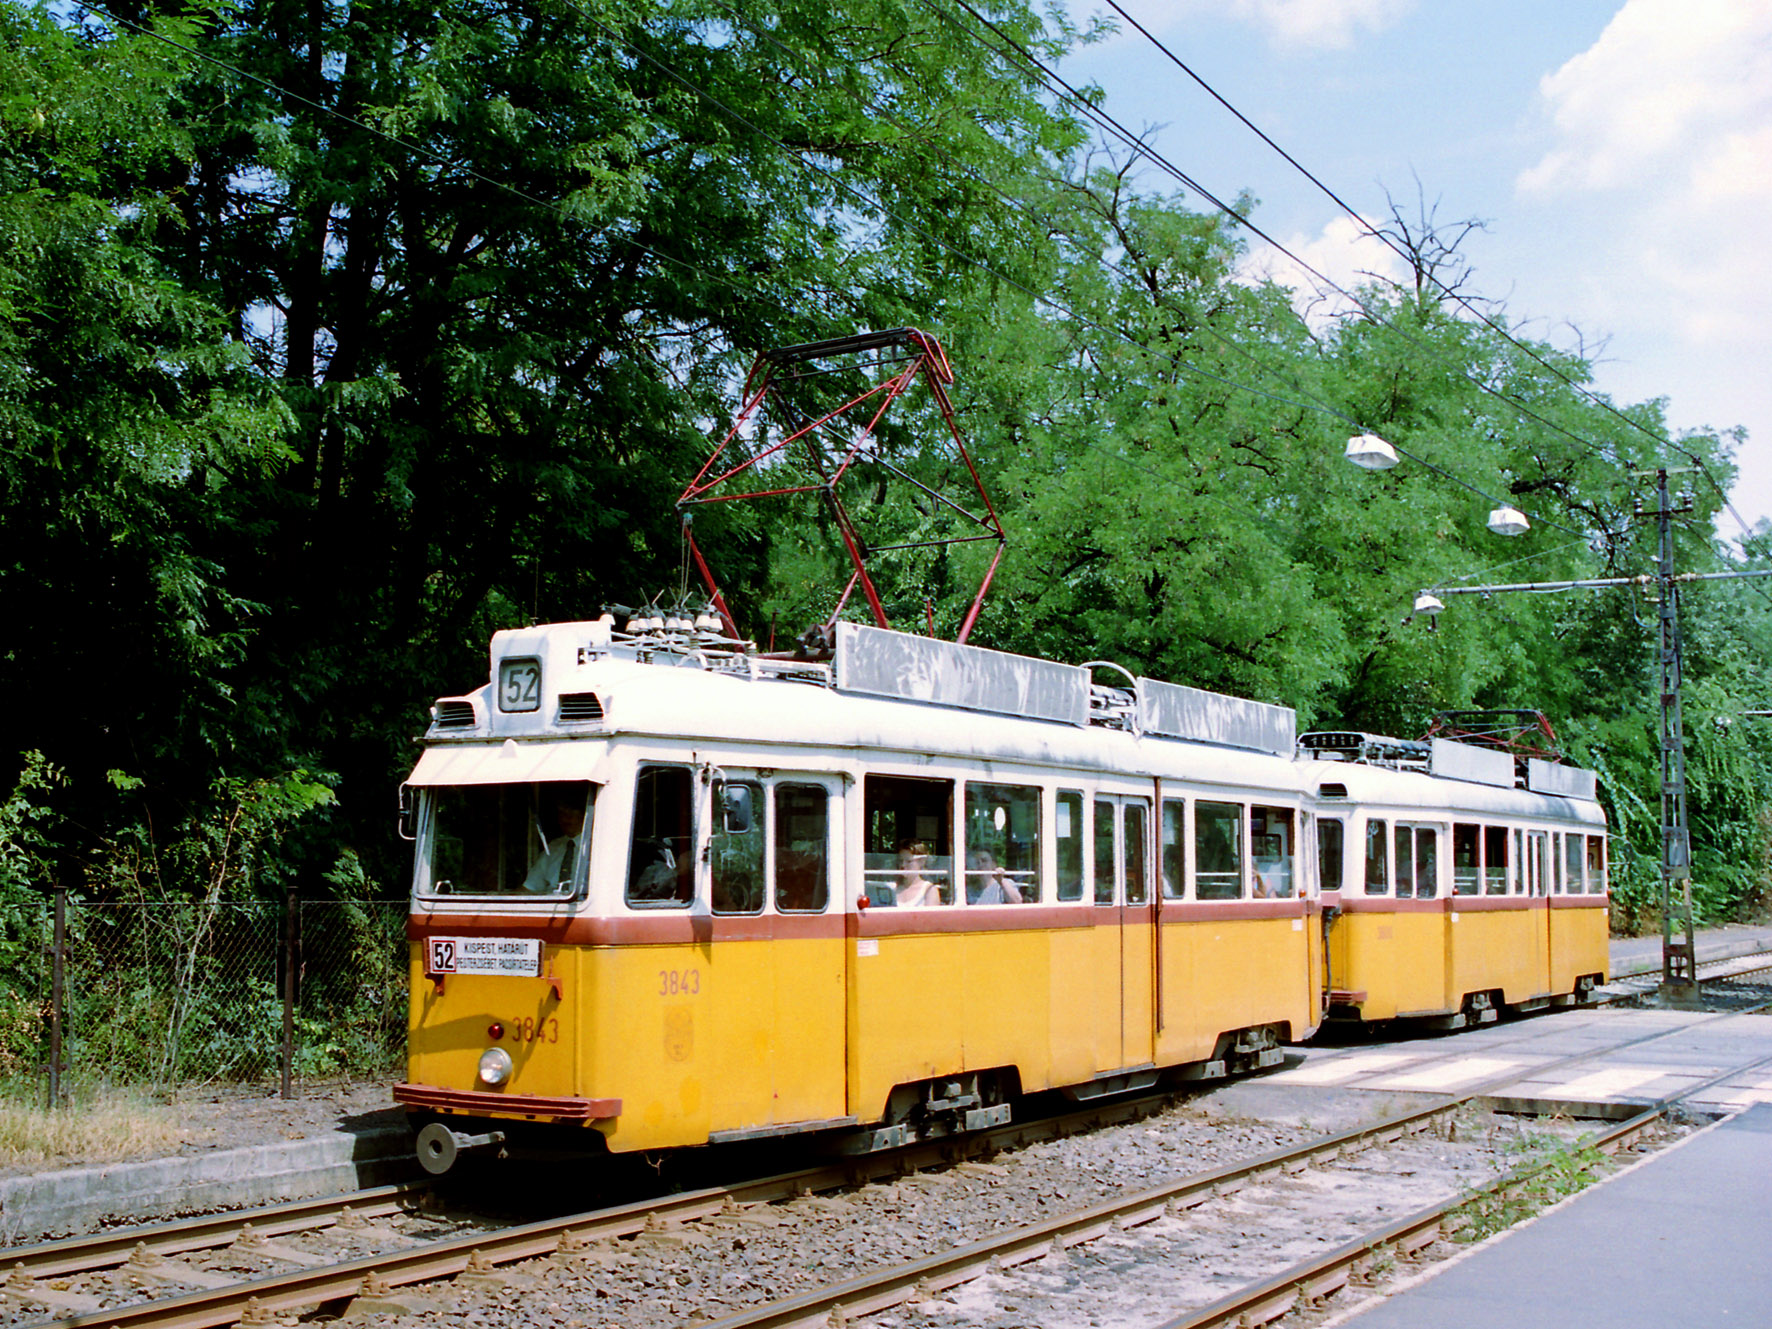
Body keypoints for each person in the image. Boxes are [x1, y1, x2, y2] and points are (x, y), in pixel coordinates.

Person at [523, 787, 585, 894]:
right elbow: (530, 887)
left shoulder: (595, 847)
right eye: (562, 813)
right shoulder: (554, 847)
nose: (565, 819)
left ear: (584, 815)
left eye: (571, 814)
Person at [895, 841, 945, 907]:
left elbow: (931, 916)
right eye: (900, 861)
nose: (903, 865)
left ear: (921, 862)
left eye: (908, 861)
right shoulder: (893, 888)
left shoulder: (929, 890)